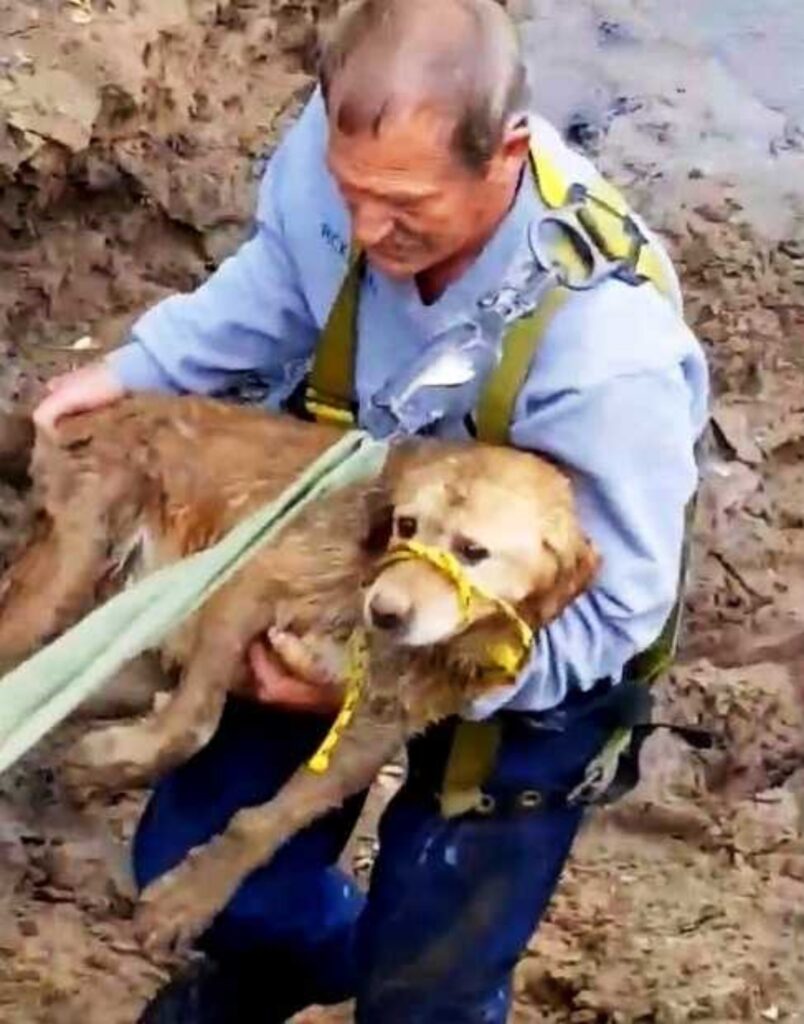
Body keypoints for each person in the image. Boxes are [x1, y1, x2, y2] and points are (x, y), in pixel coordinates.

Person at [35, 0, 709, 1021]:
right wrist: (139, 367)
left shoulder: (611, 356)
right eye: (351, 195)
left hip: (531, 648)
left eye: (404, 207)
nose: (365, 230)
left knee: (426, 977)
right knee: (200, 865)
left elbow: (622, 616)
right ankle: (287, 965)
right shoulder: (341, 153)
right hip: (365, 543)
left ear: (507, 153)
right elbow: (279, 273)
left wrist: (401, 683)